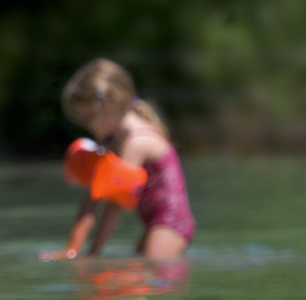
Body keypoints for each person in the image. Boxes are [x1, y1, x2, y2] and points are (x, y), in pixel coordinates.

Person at [40, 58, 195, 262]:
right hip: (155, 223)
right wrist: (73, 249)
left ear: (110, 105)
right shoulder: (116, 142)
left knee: (152, 274)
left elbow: (114, 205)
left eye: (89, 119)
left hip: (171, 223)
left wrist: (93, 255)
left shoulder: (136, 141)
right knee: (140, 269)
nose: (88, 127)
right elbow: (93, 198)